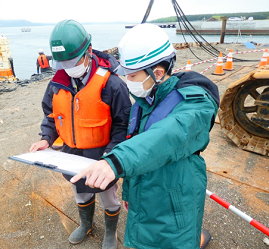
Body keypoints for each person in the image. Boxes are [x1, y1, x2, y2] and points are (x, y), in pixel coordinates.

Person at [70, 23, 219, 248]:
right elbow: (136, 142)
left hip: (174, 206)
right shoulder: (145, 101)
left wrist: (115, 162)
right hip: (145, 197)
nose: (127, 81)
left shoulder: (195, 104)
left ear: (157, 73)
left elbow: (167, 136)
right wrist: (129, 191)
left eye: (131, 75)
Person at [29, 19, 131, 249]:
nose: (68, 68)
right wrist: (46, 138)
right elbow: (52, 116)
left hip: (103, 157)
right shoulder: (56, 83)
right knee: (81, 193)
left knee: (108, 197)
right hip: (71, 155)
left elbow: (123, 126)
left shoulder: (113, 85)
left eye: (73, 62)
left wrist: (110, 157)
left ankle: (110, 233)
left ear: (89, 51)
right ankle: (86, 224)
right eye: (63, 64)